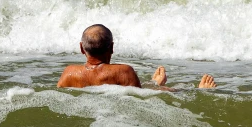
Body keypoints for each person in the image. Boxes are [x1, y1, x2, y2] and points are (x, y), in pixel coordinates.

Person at [57, 24, 216, 90]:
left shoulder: (69, 73)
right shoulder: (123, 72)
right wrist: (158, 87)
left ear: (81, 48)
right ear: (112, 47)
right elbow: (141, 99)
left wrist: (154, 84)